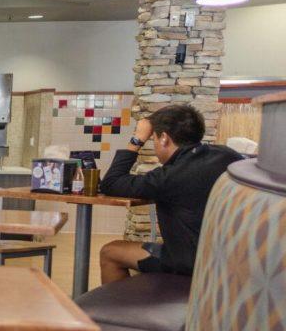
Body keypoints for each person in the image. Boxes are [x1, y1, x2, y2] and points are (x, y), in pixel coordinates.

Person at [98, 103, 242, 282]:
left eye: (154, 139)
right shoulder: (228, 155)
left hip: (192, 263)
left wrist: (137, 138)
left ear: (164, 138)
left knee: (110, 252)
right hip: (232, 258)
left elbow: (110, 183)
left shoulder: (170, 176)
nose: (155, 144)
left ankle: (116, 310)